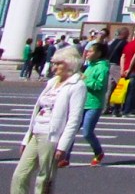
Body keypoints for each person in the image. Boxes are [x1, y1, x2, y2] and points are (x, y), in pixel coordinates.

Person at [13, 47, 85, 194]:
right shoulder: (52, 82)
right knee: (19, 175)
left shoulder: (77, 85)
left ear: (70, 64)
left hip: (51, 136)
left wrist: (63, 146)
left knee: (44, 179)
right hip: (36, 131)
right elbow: (38, 110)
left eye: (59, 63)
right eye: (53, 63)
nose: (54, 67)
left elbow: (74, 119)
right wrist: (26, 138)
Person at [75, 42, 109, 165]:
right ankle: (64, 157)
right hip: (81, 102)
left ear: (98, 53)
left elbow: (100, 86)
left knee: (87, 132)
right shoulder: (90, 66)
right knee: (71, 130)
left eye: (90, 51)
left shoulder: (102, 68)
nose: (87, 53)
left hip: (94, 104)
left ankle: (98, 151)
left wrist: (84, 79)